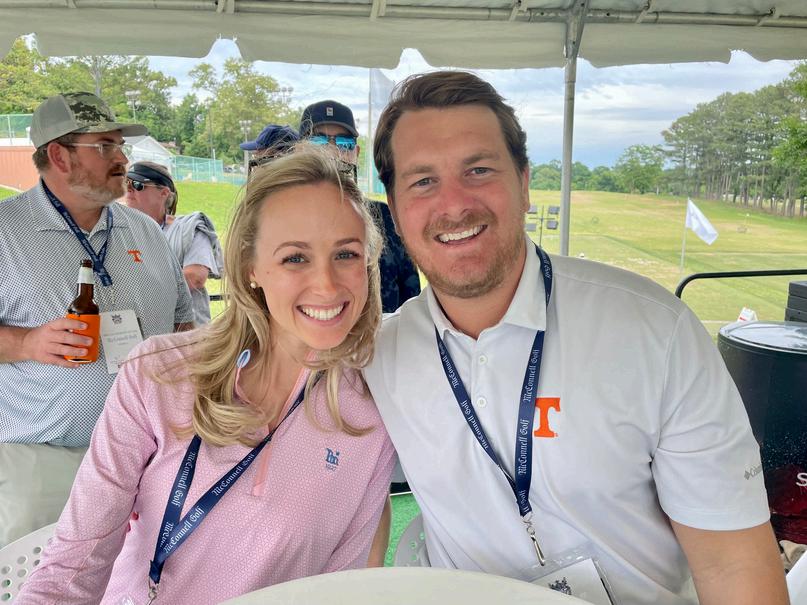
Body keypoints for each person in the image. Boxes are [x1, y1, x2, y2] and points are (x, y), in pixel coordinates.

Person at [364, 71, 788, 605]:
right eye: (423, 181)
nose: (453, 204)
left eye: (479, 170)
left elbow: (733, 565)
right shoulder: (380, 354)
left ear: (524, 182)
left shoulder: (655, 332)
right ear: (395, 207)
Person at [17, 145, 396, 604]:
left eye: (346, 254)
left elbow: (341, 586)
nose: (327, 285)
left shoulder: (373, 414)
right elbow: (73, 566)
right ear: (251, 268)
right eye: (295, 258)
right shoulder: (157, 374)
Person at [0, 92, 194, 548]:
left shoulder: (146, 230)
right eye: (105, 146)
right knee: (37, 578)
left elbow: (183, 325)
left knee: (140, 577)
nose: (122, 159)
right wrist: (26, 343)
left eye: (120, 146)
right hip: (43, 463)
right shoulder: (5, 230)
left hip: (148, 457)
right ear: (59, 156)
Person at [300, 100, 421, 313]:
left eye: (343, 143)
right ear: (298, 150)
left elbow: (411, 294)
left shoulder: (384, 216)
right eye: (319, 142)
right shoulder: (283, 220)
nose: (332, 151)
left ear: (355, 153)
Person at [125, 161, 224, 325]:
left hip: (185, 331)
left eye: (137, 185)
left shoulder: (189, 228)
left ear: (164, 193)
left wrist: (136, 293)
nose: (129, 189)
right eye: (126, 183)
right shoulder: (120, 232)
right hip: (138, 332)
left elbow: (195, 277)